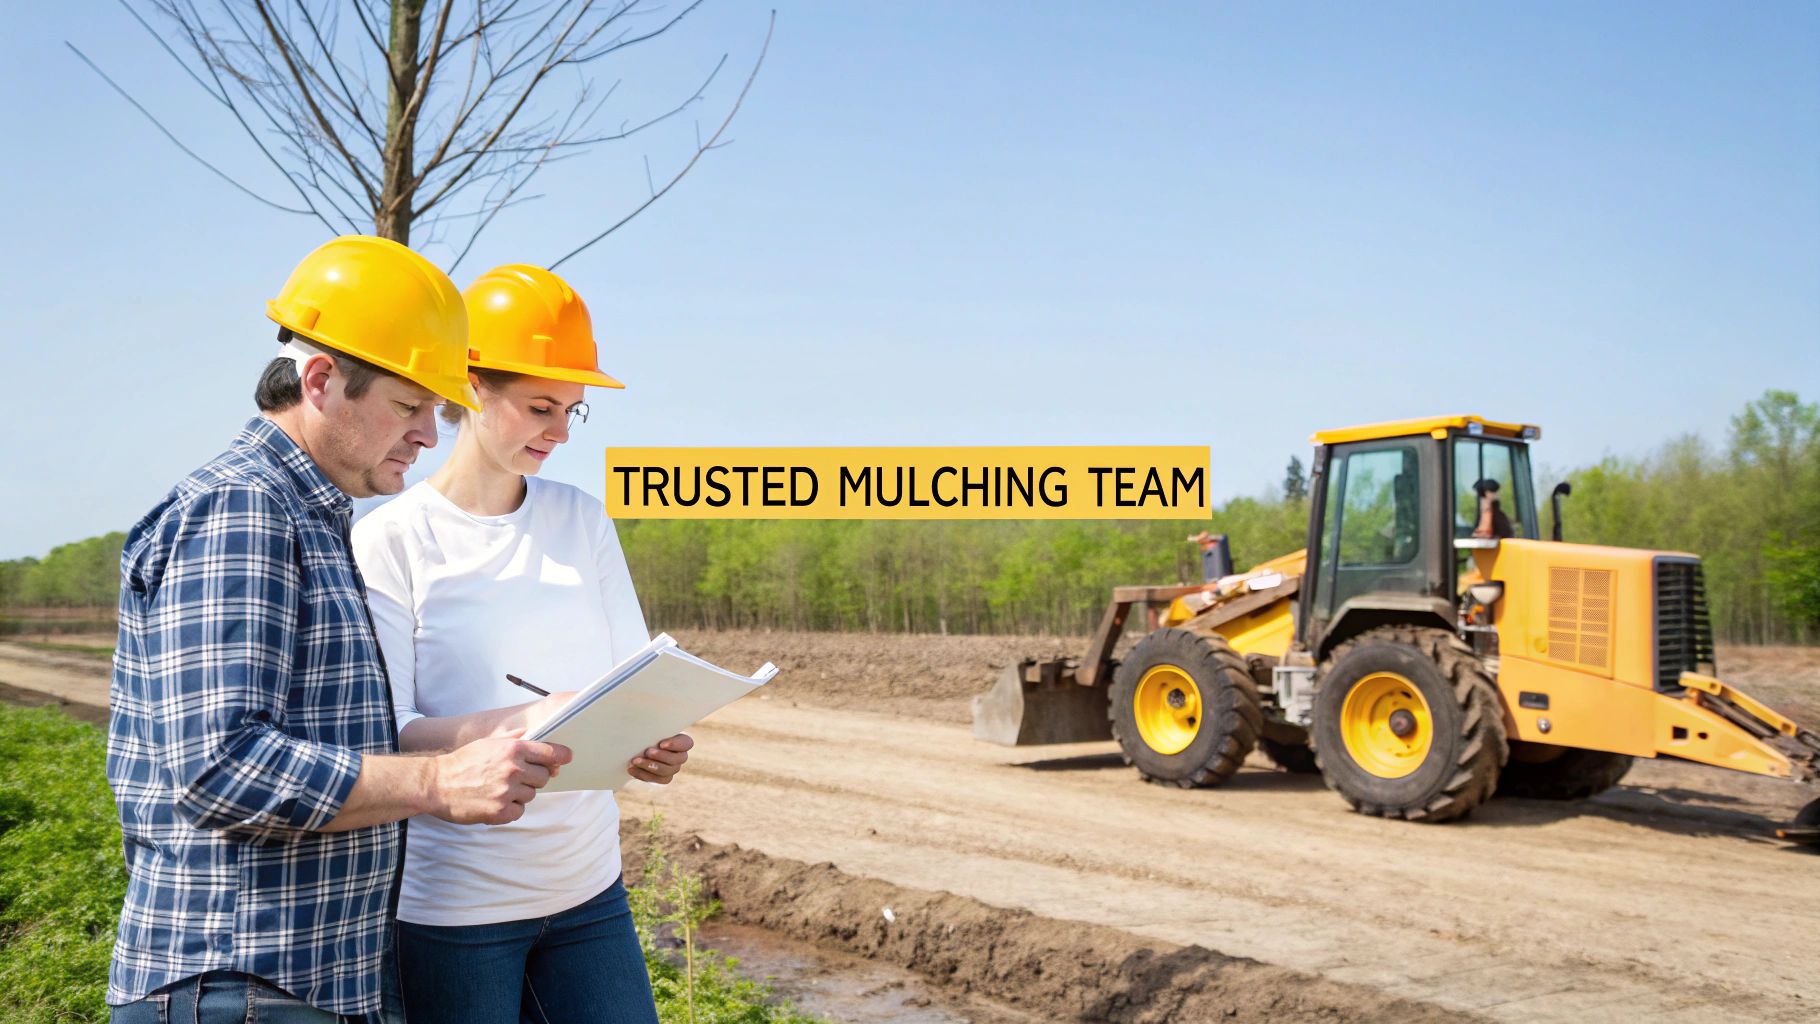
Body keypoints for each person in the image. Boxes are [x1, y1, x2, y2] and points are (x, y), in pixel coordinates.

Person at [107, 237, 576, 1024]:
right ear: (320, 380)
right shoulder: (243, 509)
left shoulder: (313, 521)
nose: (429, 434)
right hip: (241, 984)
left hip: (304, 984)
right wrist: (437, 783)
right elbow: (218, 767)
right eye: (408, 405)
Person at [352, 263, 691, 1024]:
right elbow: (387, 730)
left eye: (573, 410)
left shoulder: (582, 518)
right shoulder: (390, 539)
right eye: (541, 407)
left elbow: (634, 678)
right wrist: (525, 721)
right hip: (455, 910)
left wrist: (653, 736)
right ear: (470, 387)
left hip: (589, 891)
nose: (560, 432)